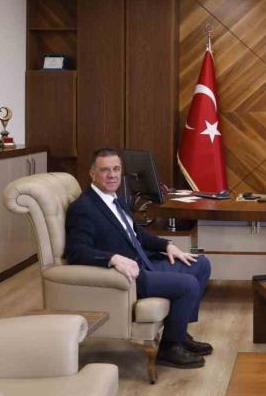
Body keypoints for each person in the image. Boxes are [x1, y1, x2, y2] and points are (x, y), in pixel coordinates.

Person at [65, 148, 212, 369]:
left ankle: (180, 334)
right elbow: (77, 251)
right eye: (105, 170)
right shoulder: (83, 208)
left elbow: (138, 235)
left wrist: (168, 245)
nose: (112, 175)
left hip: (145, 261)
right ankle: (170, 348)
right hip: (130, 275)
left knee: (201, 265)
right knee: (188, 284)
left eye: (116, 169)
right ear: (92, 174)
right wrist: (112, 258)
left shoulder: (116, 199)